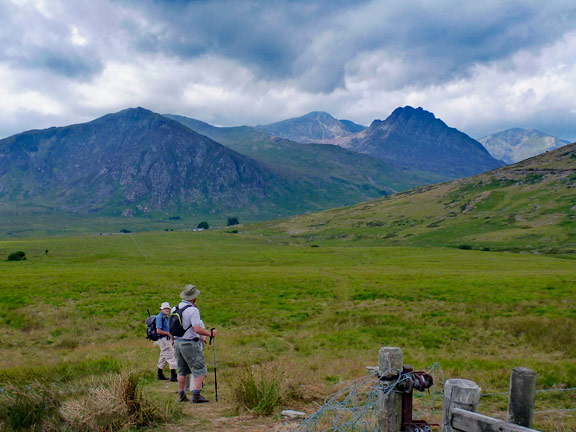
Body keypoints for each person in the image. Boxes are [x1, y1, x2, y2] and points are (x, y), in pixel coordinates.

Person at [173, 284, 217, 403]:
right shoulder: (193, 310)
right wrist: (210, 334)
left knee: (181, 370)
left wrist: (173, 341)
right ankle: (196, 395)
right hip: (189, 343)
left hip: (177, 342)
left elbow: (171, 327)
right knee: (199, 369)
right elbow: (197, 329)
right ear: (193, 298)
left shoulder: (175, 308)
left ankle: (181, 394)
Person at [155, 302, 178, 382]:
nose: (167, 310)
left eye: (168, 308)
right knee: (172, 356)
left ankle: (160, 374)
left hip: (167, 339)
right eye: (165, 308)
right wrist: (167, 333)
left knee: (163, 357)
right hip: (163, 339)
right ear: (162, 309)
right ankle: (173, 375)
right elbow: (158, 331)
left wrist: (172, 338)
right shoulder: (159, 317)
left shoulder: (166, 317)